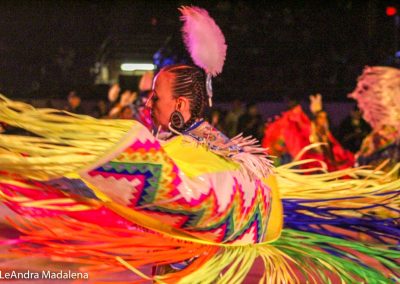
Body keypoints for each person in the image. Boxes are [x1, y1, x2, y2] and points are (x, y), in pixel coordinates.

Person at [0, 6, 398, 284]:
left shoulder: (204, 154)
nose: (148, 103)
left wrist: (79, 169)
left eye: (155, 97)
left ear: (181, 104)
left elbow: (184, 197)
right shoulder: (216, 147)